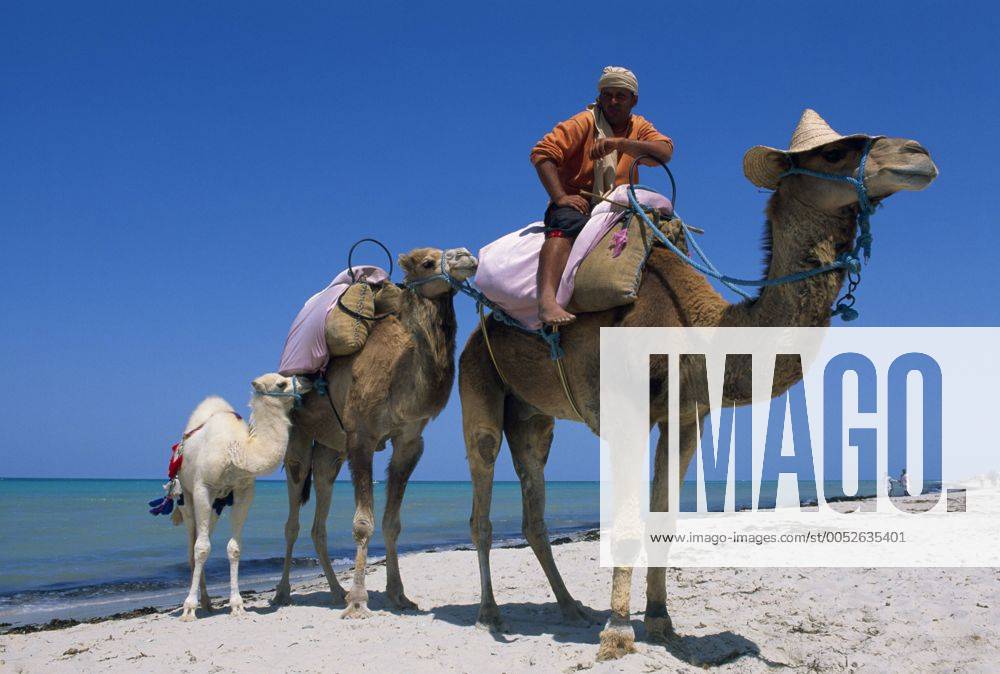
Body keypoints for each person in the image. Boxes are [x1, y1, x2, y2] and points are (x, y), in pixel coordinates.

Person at [530, 66, 674, 325]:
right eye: (608, 95)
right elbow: (542, 154)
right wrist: (561, 197)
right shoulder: (584, 122)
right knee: (565, 223)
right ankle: (547, 301)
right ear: (600, 96)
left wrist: (619, 144)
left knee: (664, 232)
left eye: (621, 95)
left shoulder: (638, 126)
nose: (614, 101)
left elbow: (664, 152)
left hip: (617, 205)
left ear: (634, 100)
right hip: (579, 201)